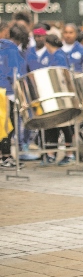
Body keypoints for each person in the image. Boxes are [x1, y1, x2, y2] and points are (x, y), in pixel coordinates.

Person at [41, 34, 74, 165]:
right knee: (52, 125)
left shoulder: (59, 56)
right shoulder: (56, 55)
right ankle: (51, 154)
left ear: (47, 44)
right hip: (55, 94)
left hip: (61, 94)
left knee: (65, 125)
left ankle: (69, 154)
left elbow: (61, 75)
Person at [0, 21, 28, 168]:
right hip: (7, 92)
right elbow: (15, 72)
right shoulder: (10, 47)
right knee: (7, 126)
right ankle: (5, 156)